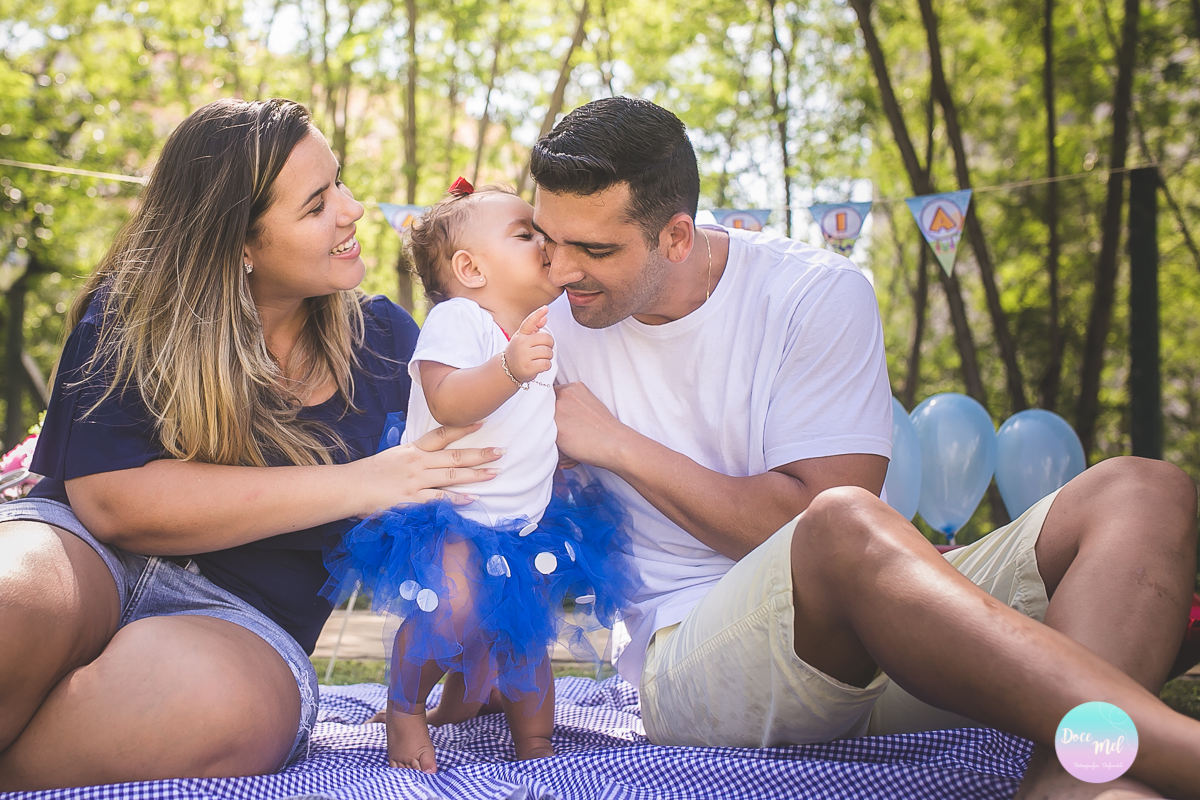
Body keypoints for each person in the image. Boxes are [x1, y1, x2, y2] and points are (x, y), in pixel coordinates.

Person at [528, 96, 1200, 800]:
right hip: (692, 661)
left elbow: (805, 517)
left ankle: (1071, 785)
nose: (559, 271)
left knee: (1144, 490)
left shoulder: (815, 291)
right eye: (549, 240)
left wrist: (616, 445)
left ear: (675, 236)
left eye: (594, 250)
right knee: (843, 525)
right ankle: (1171, 750)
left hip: (885, 643)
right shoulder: (543, 337)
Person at [0, 99, 503, 790]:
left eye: (342, 184)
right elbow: (113, 503)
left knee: (211, 705)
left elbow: (468, 488)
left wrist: (488, 639)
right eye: (318, 203)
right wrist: (364, 480)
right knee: (10, 603)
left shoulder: (389, 343)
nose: (353, 210)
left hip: (246, 620)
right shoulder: (131, 310)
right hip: (83, 554)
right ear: (238, 242)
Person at [321, 179, 635, 773]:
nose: (545, 243)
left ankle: (534, 745)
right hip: (454, 513)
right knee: (451, 611)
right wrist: (509, 367)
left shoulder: (541, 334)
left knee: (524, 632)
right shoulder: (460, 319)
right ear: (470, 268)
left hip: (523, 523)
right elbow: (449, 401)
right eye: (526, 234)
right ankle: (408, 706)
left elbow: (530, 423)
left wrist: (555, 457)